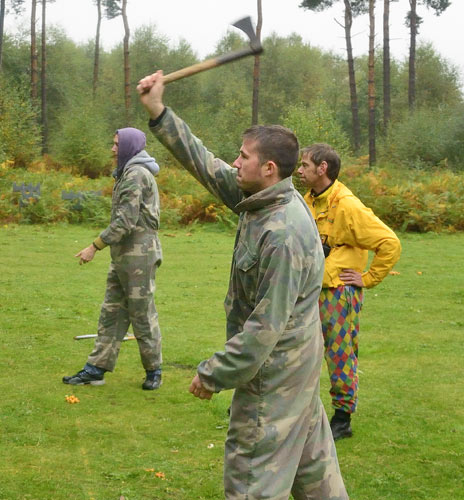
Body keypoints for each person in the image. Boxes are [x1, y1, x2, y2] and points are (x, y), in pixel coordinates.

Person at [137, 70, 348, 500]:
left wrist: (215, 372)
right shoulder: (261, 200)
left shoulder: (283, 231)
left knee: (252, 482)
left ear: (268, 168)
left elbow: (266, 326)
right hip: (295, 375)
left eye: (243, 156)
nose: (235, 162)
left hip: (274, 380)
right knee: (317, 483)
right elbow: (204, 163)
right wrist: (159, 113)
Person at [297, 144, 401, 441]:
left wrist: (367, 278)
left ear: (323, 168)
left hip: (338, 293)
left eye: (305, 165)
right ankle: (302, 410)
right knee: (302, 351)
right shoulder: (308, 201)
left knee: (340, 353)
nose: (300, 171)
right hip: (308, 290)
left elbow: (389, 243)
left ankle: (342, 417)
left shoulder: (348, 205)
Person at [62, 127, 164, 391]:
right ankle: (96, 369)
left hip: (139, 258)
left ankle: (154, 370)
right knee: (111, 312)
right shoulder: (127, 172)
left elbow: (126, 221)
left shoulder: (136, 174)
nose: (112, 149)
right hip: (123, 257)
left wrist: (95, 246)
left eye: (117, 144)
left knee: (141, 314)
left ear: (129, 146)